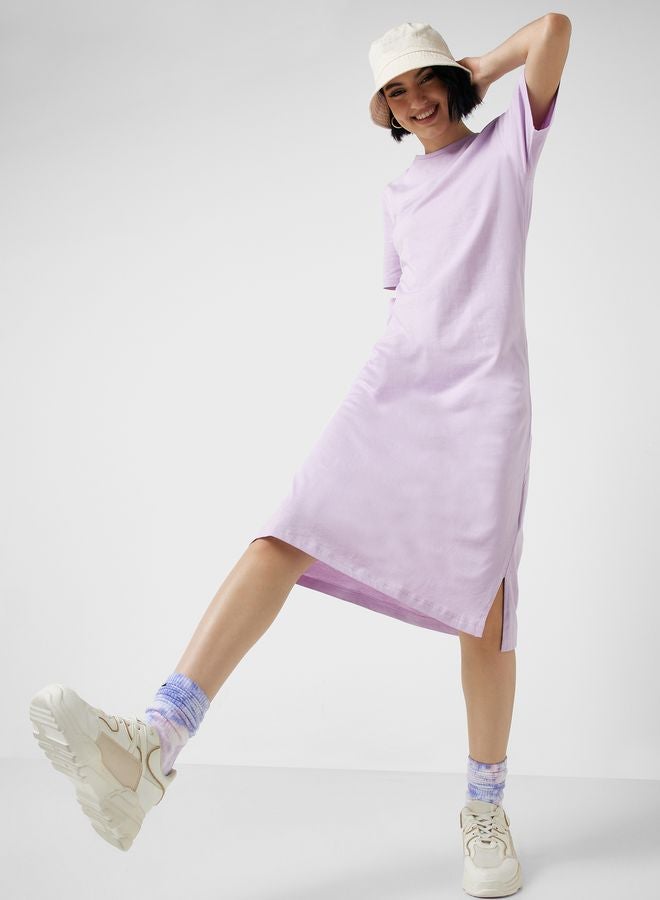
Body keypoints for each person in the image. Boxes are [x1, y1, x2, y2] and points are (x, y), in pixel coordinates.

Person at [29, 14, 570, 895]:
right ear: (385, 110)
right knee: (282, 533)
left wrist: (480, 65)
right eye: (396, 91)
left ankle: (486, 809)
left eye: (425, 80)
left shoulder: (509, 150)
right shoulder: (399, 194)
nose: (415, 100)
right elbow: (410, 300)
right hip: (395, 387)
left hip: (485, 403)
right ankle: (157, 742)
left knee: (484, 608)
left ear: (452, 80)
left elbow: (553, 29)